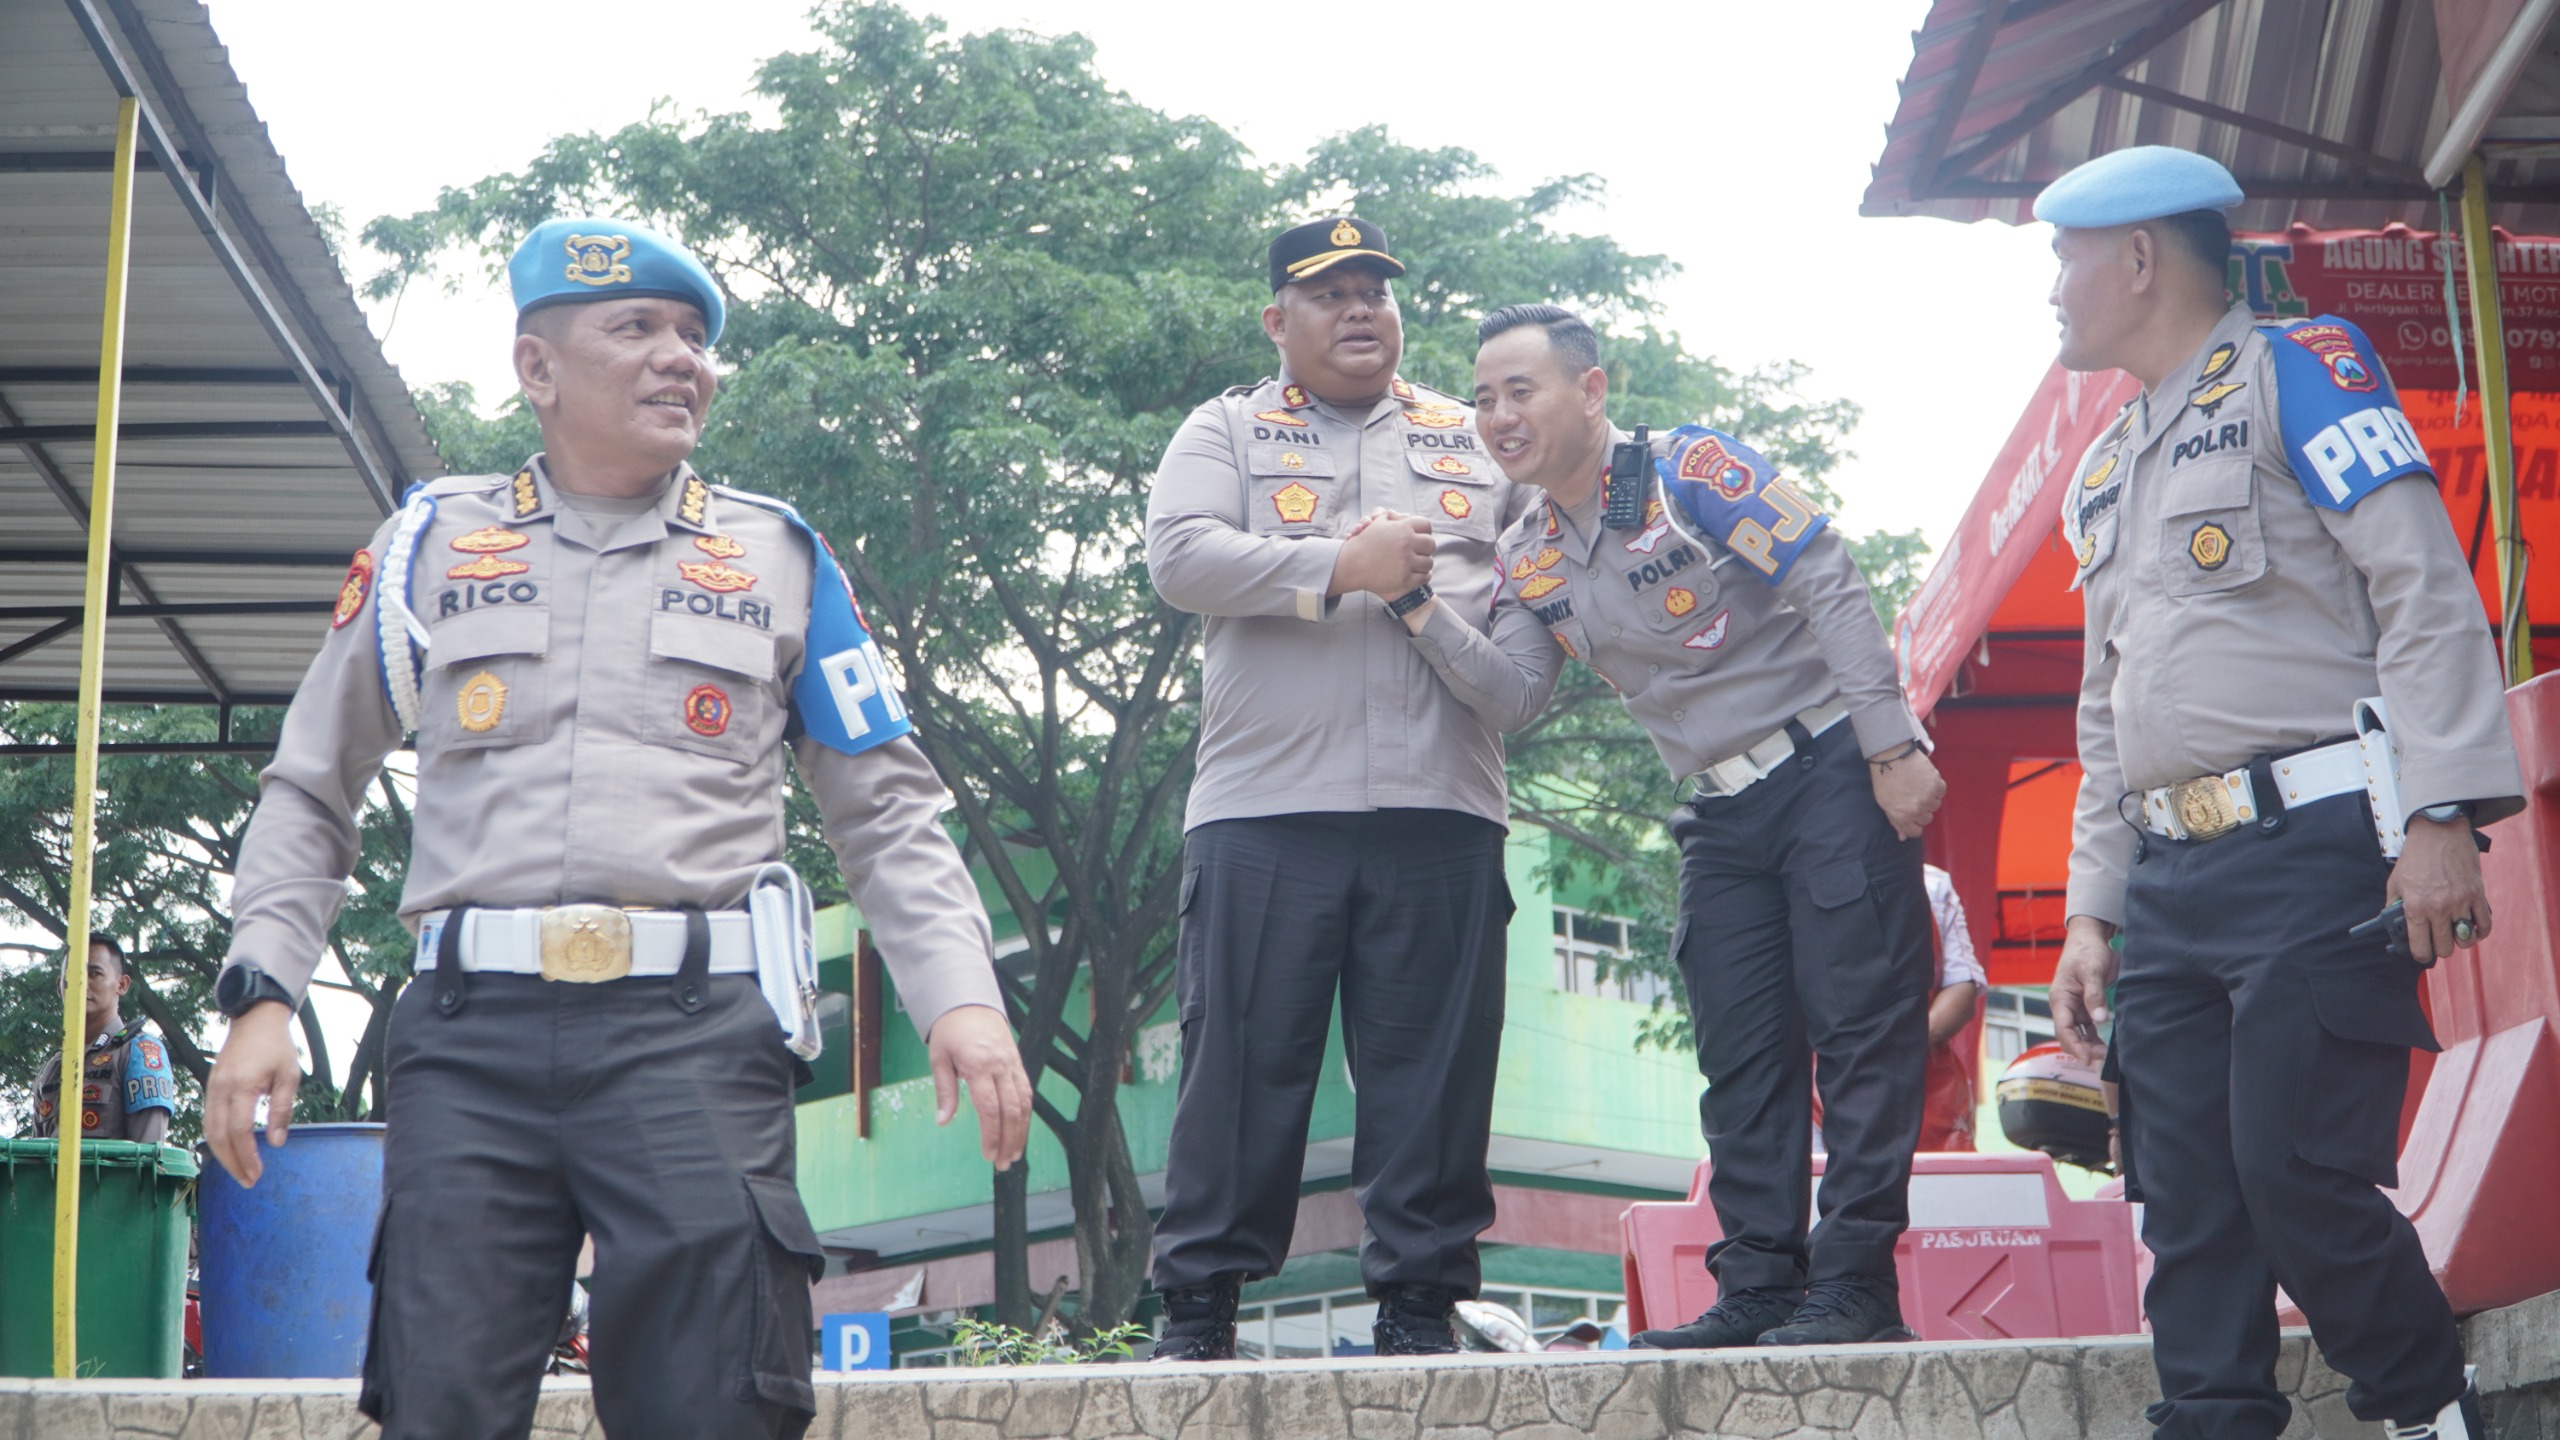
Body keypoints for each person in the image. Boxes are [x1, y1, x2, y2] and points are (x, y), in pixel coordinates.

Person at [199, 217, 1031, 1440]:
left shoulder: (780, 557)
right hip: (470, 1042)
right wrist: (263, 995)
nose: (678, 358)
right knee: (440, 1404)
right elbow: (312, 783)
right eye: (636, 329)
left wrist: (960, 996)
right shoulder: (430, 542)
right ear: (537, 369)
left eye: (694, 336)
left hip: (693, 1040)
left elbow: (889, 810)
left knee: (714, 1407)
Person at [2039, 147, 2523, 1440]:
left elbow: (2421, 585)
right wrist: (2093, 912)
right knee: (2185, 1197)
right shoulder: (2107, 465)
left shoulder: (2299, 369)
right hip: (2173, 880)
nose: (2053, 288)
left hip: (2320, 844)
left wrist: (2439, 814)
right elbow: (2105, 711)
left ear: (2141, 257)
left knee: (2296, 1171)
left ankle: (2428, 1414)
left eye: (2066, 258)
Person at [1402, 303, 1945, 1348]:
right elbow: (1514, 695)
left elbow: (1825, 574)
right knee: (1742, 1057)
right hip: (1717, 813)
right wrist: (1418, 611)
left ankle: (1855, 1288)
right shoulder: (1530, 556)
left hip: (1830, 766)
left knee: (1861, 1038)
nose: (1498, 415)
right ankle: (1754, 1293)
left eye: (1521, 390)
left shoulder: (1691, 467)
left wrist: (1889, 744)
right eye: (1481, 399)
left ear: (1590, 390)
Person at [1142, 216, 1534, 1360]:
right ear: (1278, 320)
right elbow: (1178, 557)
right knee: (1242, 1066)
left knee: (1433, 1069)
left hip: (1442, 801)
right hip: (1265, 807)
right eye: (1328, 294)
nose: (1359, 309)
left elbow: (1524, 623)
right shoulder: (1224, 426)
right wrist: (1334, 567)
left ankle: (1419, 1307)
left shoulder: (1475, 441)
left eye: (1375, 290)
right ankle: (1199, 1311)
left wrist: (1414, 600)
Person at [32, 938, 177, 1145]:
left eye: (94, 974)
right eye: (72, 975)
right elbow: (34, 1159)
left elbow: (148, 1159)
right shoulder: (51, 1070)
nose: (81, 983)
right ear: (59, 986)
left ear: (122, 984)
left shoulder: (138, 1053)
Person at [1919, 864, 1985, 1151]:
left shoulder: (1932, 884)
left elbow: (1962, 989)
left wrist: (1902, 1044)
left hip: (1926, 1098)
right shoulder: (1799, 874)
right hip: (1819, 1098)